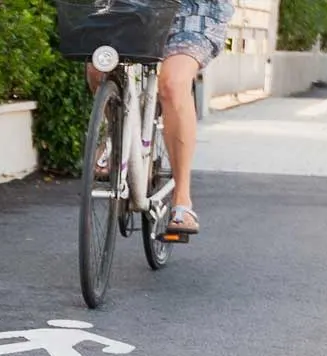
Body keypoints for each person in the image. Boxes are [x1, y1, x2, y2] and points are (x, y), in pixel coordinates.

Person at [87, 0, 234, 235]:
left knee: (173, 84)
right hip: (133, 5)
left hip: (194, 11)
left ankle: (182, 200)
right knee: (98, 67)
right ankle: (117, 139)